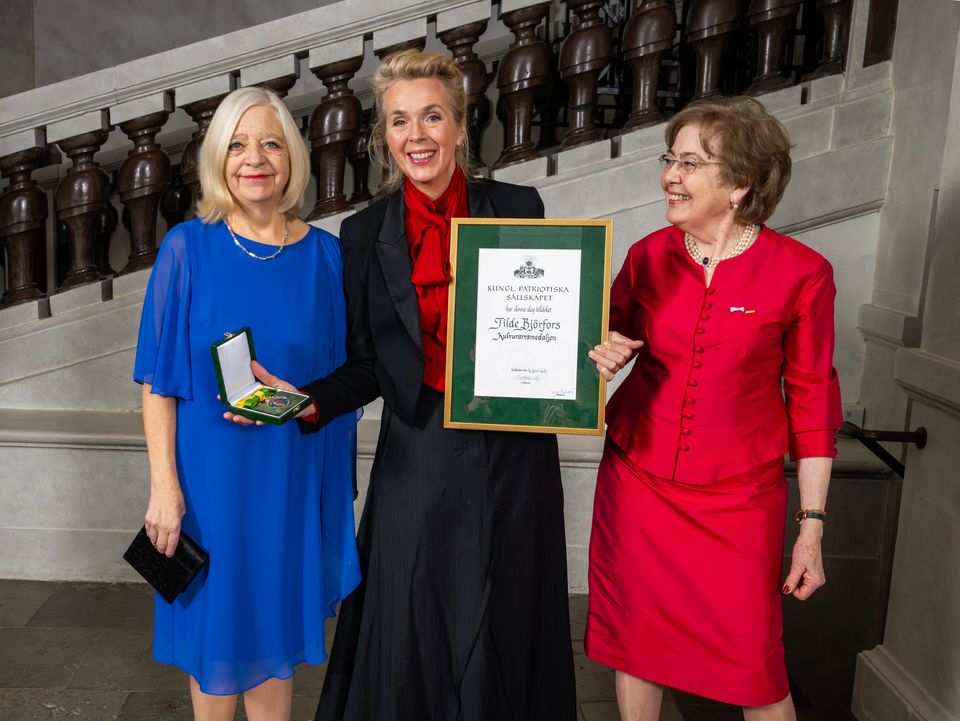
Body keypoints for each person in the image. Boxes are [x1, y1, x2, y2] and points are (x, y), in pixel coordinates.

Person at [228, 49, 577, 721]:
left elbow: (548, 321)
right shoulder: (361, 234)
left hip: (515, 451)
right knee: (411, 609)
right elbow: (366, 363)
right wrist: (306, 400)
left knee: (506, 604)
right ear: (384, 136)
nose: (416, 135)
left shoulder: (520, 205)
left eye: (432, 116)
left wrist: (586, 350)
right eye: (398, 121)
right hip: (417, 444)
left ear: (459, 125)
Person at [584, 95, 842, 720]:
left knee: (754, 664)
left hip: (738, 499)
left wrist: (811, 528)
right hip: (638, 483)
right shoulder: (647, 256)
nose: (671, 175)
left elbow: (812, 405)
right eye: (670, 159)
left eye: (691, 163)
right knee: (636, 644)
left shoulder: (803, 273)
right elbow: (590, 337)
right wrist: (598, 351)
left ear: (740, 183)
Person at [134, 86, 360, 721]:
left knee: (275, 633)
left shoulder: (325, 256)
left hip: (287, 479)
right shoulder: (187, 247)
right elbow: (157, 381)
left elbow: (340, 382)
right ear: (217, 158)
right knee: (217, 640)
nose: (253, 158)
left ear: (291, 157)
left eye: (269, 142)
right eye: (236, 144)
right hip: (208, 485)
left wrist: (297, 411)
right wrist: (163, 489)